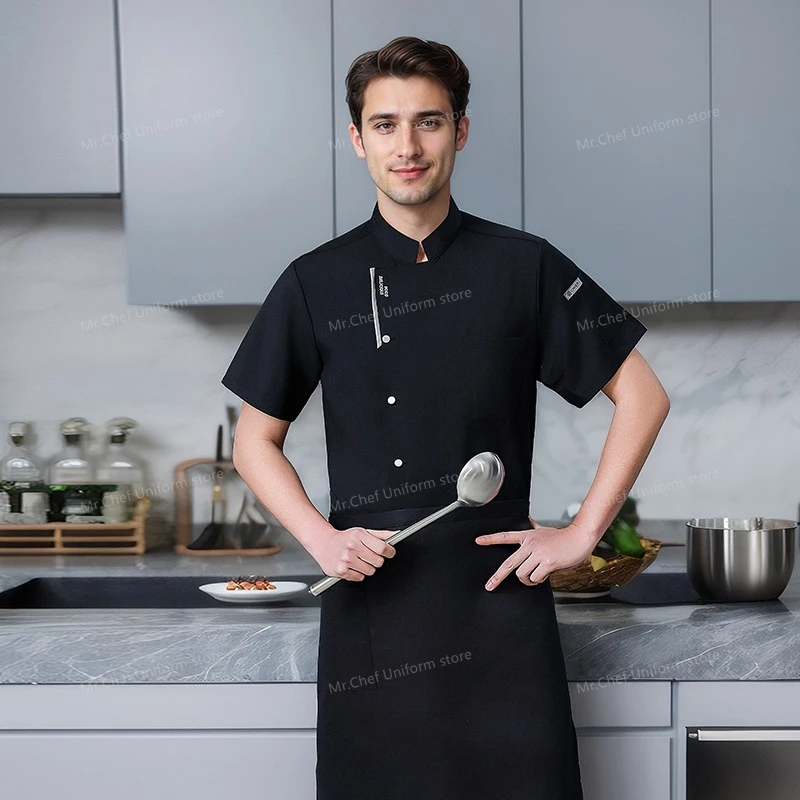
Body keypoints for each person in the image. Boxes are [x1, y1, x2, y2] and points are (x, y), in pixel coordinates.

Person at [221, 35, 669, 800]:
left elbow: (643, 395)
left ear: (460, 132)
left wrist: (581, 534)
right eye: (386, 125)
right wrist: (322, 539)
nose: (408, 146)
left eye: (428, 122)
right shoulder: (313, 281)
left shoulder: (523, 266)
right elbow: (254, 440)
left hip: (498, 600)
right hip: (374, 603)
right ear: (357, 140)